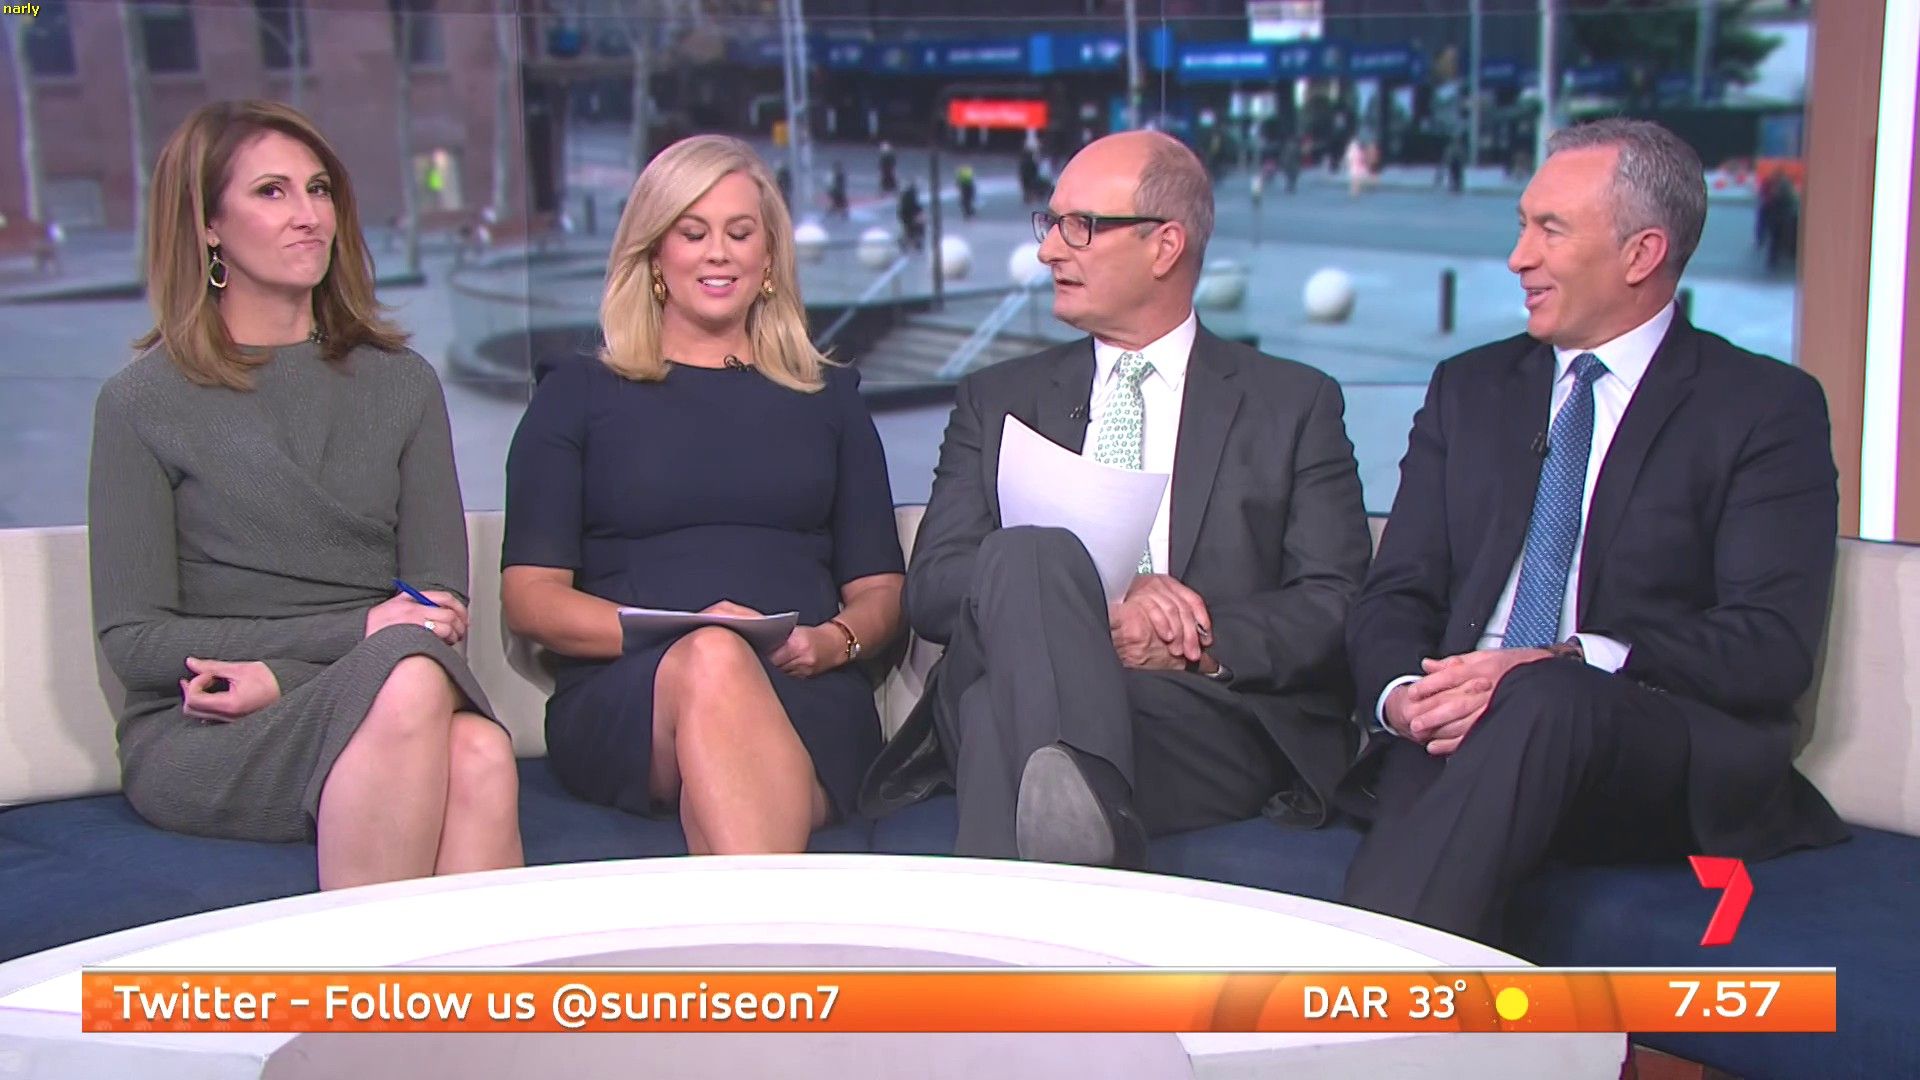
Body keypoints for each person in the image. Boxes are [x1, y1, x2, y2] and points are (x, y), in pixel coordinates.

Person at [1338, 118, 1847, 944]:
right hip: (1460, 728)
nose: (1518, 257)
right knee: (1483, 731)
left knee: (1544, 697)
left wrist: (1567, 659)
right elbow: (1397, 591)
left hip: (1643, 738)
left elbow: (1768, 644)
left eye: (1551, 230)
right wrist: (1407, 698)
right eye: (1522, 225)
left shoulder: (1761, 407)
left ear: (1642, 254)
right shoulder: (1470, 388)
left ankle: (1363, 992)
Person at [860, 131, 1370, 866]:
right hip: (1011, 668)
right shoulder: (997, 400)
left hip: (1193, 712)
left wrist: (1190, 641)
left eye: (1081, 226)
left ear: (1165, 246)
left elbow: (1333, 603)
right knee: (1036, 553)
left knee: (999, 722)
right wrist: (1090, 599)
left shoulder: (1292, 405)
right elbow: (935, 584)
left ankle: (1049, 862)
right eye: (1051, 223)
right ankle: (1085, 836)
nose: (1048, 250)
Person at [87, 100, 523, 888]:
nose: (308, 215)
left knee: (478, 749)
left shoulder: (403, 385)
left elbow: (438, 612)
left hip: (382, 691)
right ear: (209, 226)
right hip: (210, 726)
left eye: (318, 189)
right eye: (272, 192)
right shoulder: (141, 402)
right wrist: (352, 633)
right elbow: (135, 642)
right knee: (421, 687)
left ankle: (419, 977)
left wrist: (289, 673)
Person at [501, 134, 905, 854]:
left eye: (739, 233)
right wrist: (680, 633)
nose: (718, 253)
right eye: (693, 233)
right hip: (632, 692)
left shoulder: (830, 398)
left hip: (806, 687)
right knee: (714, 657)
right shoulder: (576, 394)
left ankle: (746, 921)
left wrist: (830, 642)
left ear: (769, 258)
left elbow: (881, 592)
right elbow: (531, 599)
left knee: (726, 680)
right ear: (655, 254)